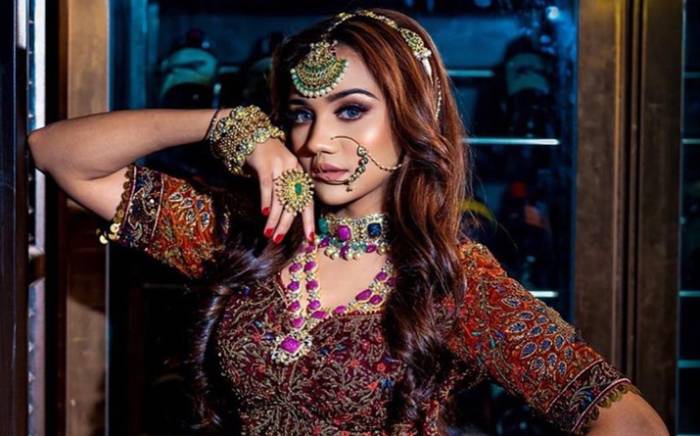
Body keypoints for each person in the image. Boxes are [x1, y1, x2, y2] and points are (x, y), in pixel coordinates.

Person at [28, 8, 668, 436]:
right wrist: (225, 124)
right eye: (301, 114)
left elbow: (629, 422)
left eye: (352, 110)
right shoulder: (248, 232)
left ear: (412, 120)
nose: (317, 141)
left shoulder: (451, 278)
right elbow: (58, 153)